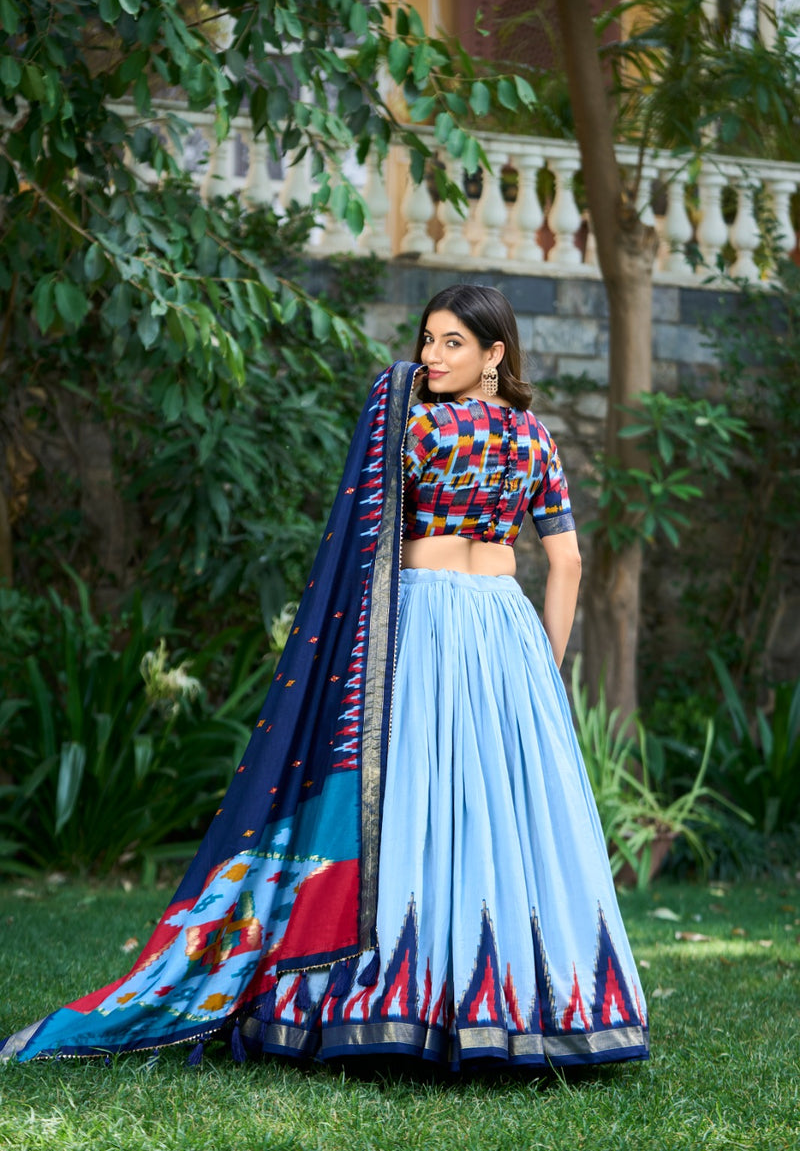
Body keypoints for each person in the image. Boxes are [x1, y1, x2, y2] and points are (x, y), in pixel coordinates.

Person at [1, 285, 648, 1071]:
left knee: (406, 805)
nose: (429, 357)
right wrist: (543, 667)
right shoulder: (536, 440)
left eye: (451, 343)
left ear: (494, 354)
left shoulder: (409, 426)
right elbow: (567, 561)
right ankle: (531, 1006)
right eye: (427, 340)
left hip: (422, 623)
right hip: (506, 631)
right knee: (497, 818)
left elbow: (362, 545)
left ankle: (391, 1001)